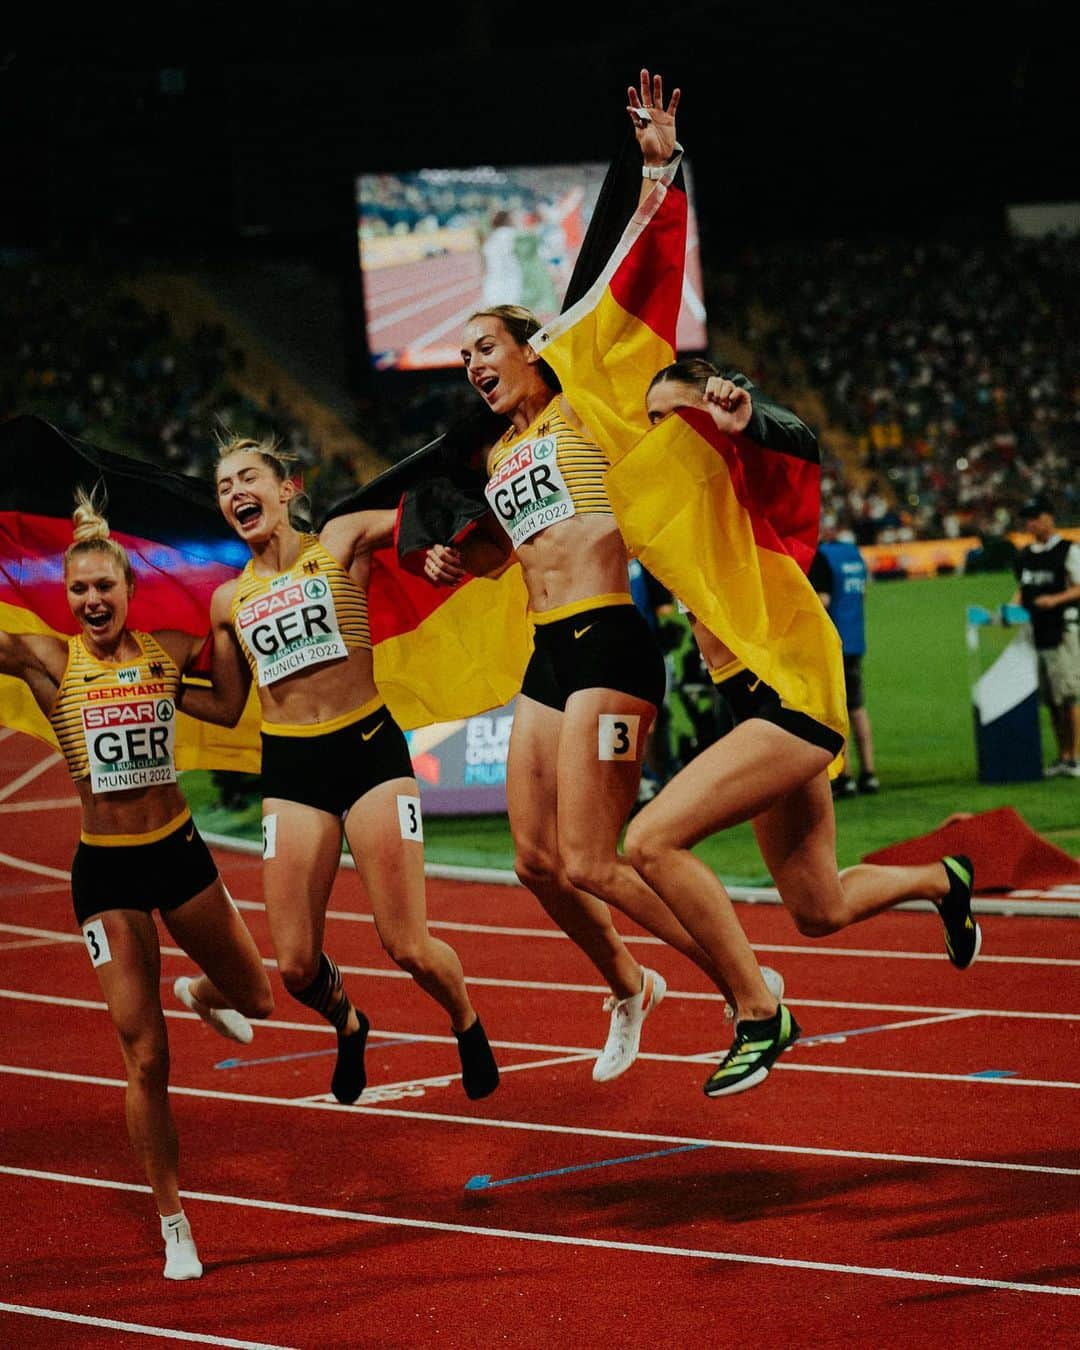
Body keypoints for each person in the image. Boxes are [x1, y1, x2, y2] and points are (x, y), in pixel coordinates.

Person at [423, 70, 789, 1087]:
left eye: (483, 348)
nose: (472, 366)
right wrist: (463, 556)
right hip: (549, 654)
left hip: (612, 643)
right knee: (539, 863)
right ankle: (632, 983)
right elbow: (509, 550)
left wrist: (658, 169)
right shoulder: (498, 458)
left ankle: (752, 994)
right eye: (461, 358)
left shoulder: (586, 408)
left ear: (532, 351)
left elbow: (619, 280)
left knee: (594, 857)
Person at [622, 360, 981, 1094]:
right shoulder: (676, 511)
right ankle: (944, 880)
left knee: (649, 841)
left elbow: (801, 445)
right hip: (752, 705)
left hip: (795, 696)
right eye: (651, 423)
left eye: (674, 419)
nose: (661, 436)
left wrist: (749, 420)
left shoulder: (750, 474)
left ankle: (759, 1011)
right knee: (819, 908)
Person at [0, 488, 274, 1280]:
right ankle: (174, 1221)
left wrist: (229, 626)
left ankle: (205, 993)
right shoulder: (50, 660)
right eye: (78, 590)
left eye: (104, 588)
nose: (92, 601)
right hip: (107, 873)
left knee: (256, 999)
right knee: (144, 1055)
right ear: (67, 597)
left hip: (179, 853)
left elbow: (226, 707)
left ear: (127, 589)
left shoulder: (165, 648)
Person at [189, 437, 499, 1104]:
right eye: (223, 486)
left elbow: (425, 510)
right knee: (297, 965)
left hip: (369, 754)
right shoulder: (226, 603)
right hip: (293, 772)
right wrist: (159, 688)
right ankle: (349, 1023)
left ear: (286, 490)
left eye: (248, 478)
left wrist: (441, 549)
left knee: (407, 944)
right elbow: (222, 704)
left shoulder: (340, 540)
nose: (235, 492)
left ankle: (466, 1021)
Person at [809, 516, 879, 797]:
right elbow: (863, 595)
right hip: (855, 639)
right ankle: (870, 773)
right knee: (857, 709)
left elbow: (823, 600)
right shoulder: (854, 555)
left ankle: (844, 776)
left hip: (832, 643)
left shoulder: (821, 557)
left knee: (836, 712)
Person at [1011, 494, 1080, 777]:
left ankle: (1074, 756)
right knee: (1051, 699)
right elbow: (1023, 589)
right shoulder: (1026, 556)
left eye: (1035, 518)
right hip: (1035, 632)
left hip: (1062, 629)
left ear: (1049, 518)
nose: (1031, 524)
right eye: (1028, 520)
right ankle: (1062, 755)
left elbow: (1079, 587)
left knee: (1068, 696)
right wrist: (1010, 608)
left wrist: (1054, 600)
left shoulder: (1068, 550)